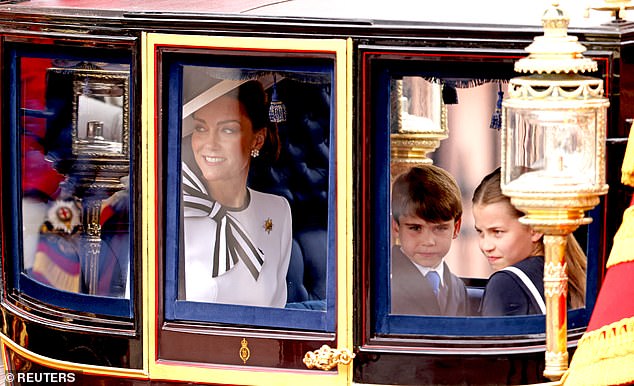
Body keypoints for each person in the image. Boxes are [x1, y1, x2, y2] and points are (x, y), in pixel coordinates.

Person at [181, 79, 292, 308]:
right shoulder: (173, 209)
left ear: (257, 139)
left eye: (227, 130)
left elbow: (276, 312)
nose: (209, 144)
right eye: (201, 128)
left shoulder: (277, 211)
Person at [472, 168, 586, 316]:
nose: (486, 246)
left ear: (535, 228)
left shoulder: (505, 283)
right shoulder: (578, 278)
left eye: (497, 232)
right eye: (480, 232)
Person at [390, 165, 468, 316]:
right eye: (415, 228)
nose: (428, 241)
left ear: (456, 227)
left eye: (440, 228)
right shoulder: (382, 283)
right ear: (396, 227)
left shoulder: (458, 288)